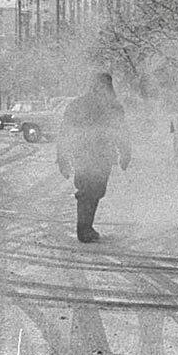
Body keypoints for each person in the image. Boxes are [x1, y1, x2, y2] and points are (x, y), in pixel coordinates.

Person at [56, 73, 131, 243]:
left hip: (96, 155)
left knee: (94, 191)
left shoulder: (109, 106)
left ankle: (86, 227)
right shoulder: (85, 106)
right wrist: (62, 158)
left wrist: (125, 151)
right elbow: (65, 132)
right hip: (88, 155)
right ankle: (84, 229)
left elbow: (121, 131)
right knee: (89, 191)